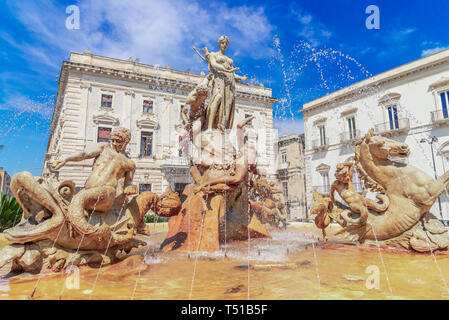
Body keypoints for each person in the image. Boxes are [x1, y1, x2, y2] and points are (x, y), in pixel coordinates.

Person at [52, 127, 136, 235]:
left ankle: (85, 231)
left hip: (106, 193)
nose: (114, 143)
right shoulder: (104, 148)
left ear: (126, 141)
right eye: (112, 140)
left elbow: (128, 184)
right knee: (60, 202)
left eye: (118, 141)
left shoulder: (129, 163)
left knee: (78, 199)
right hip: (89, 191)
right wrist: (66, 159)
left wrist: (129, 187)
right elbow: (84, 154)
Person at [203, 35, 248, 130]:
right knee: (216, 99)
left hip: (229, 84)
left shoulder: (229, 60)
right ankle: (210, 127)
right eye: (222, 42)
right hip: (218, 80)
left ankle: (223, 128)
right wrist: (226, 70)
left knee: (227, 106)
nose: (224, 45)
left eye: (226, 43)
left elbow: (232, 73)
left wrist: (241, 78)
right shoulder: (213, 55)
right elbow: (214, 65)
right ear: (219, 43)